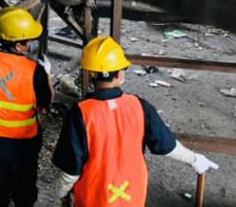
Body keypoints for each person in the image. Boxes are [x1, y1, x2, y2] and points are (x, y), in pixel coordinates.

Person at [53, 36, 220, 206]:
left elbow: (70, 170)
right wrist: (194, 159)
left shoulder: (81, 113)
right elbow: (167, 146)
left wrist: (63, 194)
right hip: (131, 195)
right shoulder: (140, 106)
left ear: (89, 73)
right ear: (119, 74)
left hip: (94, 198)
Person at [0, 7, 54, 207]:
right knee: (24, 192)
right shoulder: (35, 72)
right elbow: (45, 107)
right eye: (29, 40)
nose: (31, 44)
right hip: (24, 144)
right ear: (20, 46)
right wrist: (47, 77)